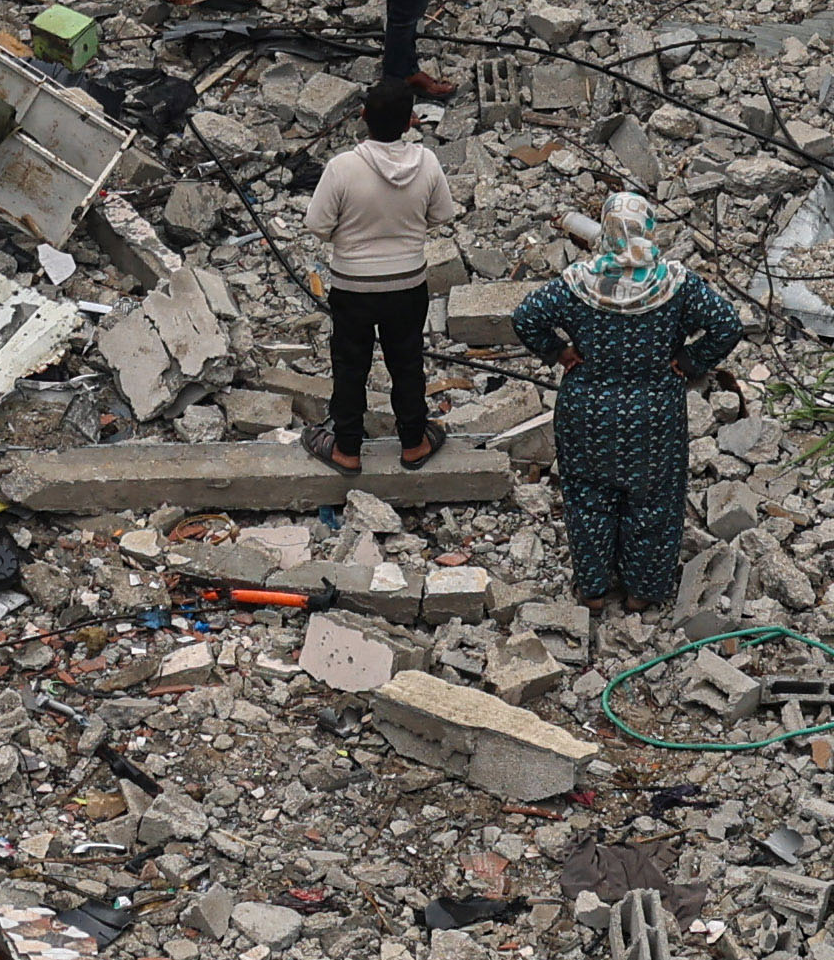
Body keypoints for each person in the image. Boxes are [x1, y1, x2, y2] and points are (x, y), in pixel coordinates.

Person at [510, 212, 752, 614]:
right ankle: (643, 592)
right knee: (653, 500)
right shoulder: (676, 285)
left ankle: (593, 589)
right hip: (654, 414)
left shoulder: (578, 284)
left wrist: (559, 352)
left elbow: (525, 317)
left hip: (587, 412)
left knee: (587, 499)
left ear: (605, 232)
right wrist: (691, 360)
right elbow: (727, 324)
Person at [301, 79, 452, 465]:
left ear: (364, 116)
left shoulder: (342, 168)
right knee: (407, 361)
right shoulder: (428, 162)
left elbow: (317, 224)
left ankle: (347, 448)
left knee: (351, 365)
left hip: (353, 286)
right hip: (408, 283)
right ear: (410, 122)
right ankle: (414, 441)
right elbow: (442, 215)